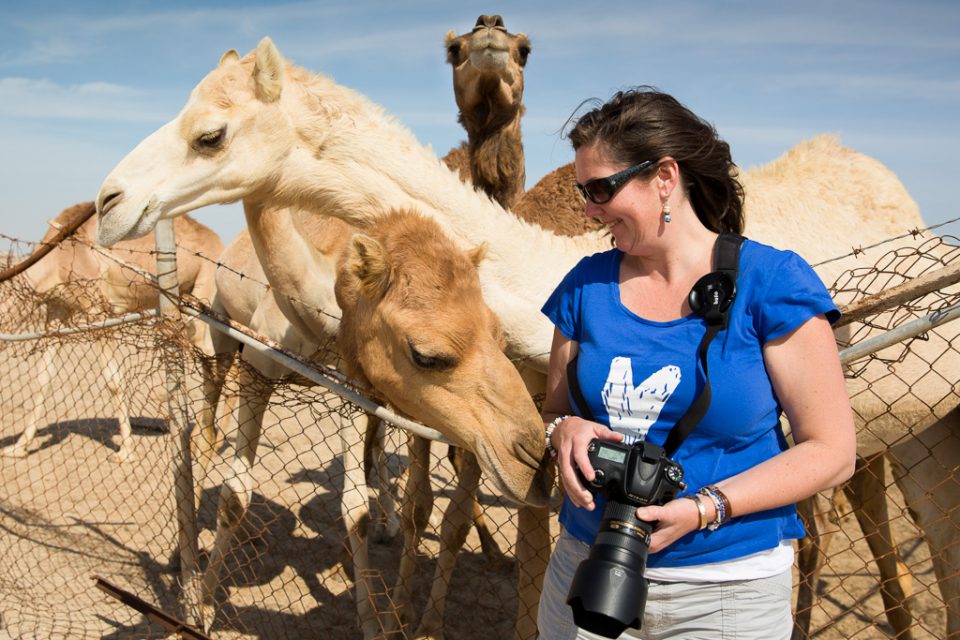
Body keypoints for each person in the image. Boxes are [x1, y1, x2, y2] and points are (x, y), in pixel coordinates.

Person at [537, 87, 857, 640]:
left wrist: (706, 508)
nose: (587, 209)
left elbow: (832, 452)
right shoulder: (583, 287)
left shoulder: (771, 282)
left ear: (664, 177)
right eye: (582, 191)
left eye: (600, 189)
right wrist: (563, 429)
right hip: (586, 572)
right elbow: (553, 411)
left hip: (726, 595)